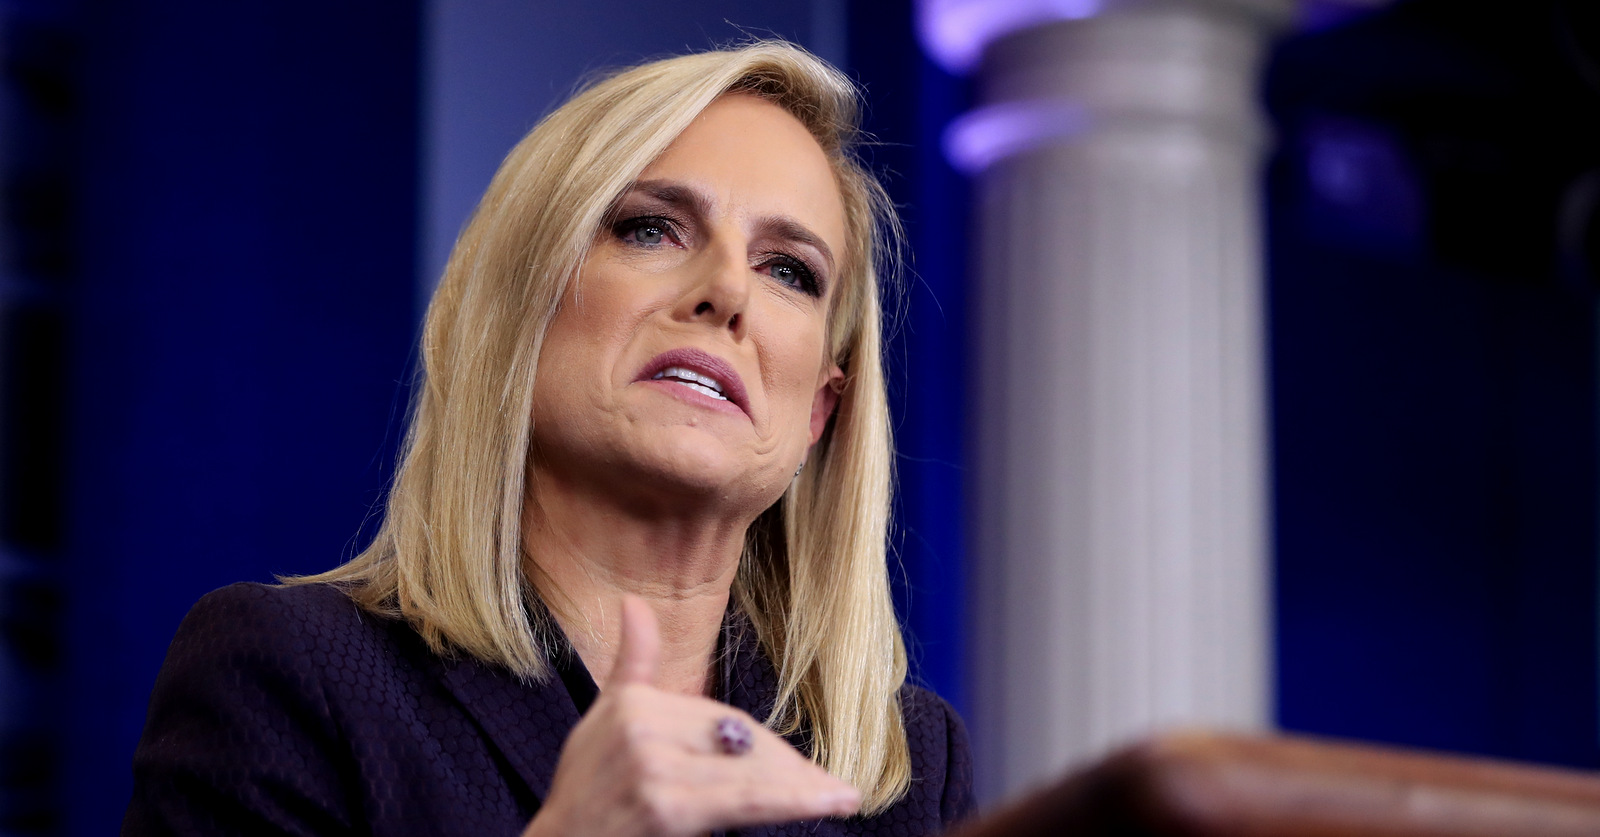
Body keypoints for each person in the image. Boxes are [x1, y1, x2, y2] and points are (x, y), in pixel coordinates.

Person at [123, 40, 973, 837]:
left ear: (821, 410)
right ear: (517, 312)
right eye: (651, 227)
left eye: (789, 269)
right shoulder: (287, 676)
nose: (726, 291)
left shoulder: (913, 767)